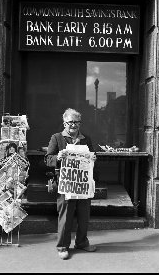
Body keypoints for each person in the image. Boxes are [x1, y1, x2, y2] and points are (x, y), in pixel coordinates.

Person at [45, 108, 97, 260]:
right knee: (65, 216)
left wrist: (93, 158)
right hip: (66, 183)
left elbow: (92, 156)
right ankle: (62, 246)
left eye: (76, 122)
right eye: (70, 122)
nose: (73, 125)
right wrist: (57, 157)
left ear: (80, 123)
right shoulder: (57, 138)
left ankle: (81, 242)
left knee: (84, 215)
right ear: (64, 123)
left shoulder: (86, 138)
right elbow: (47, 159)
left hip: (82, 183)